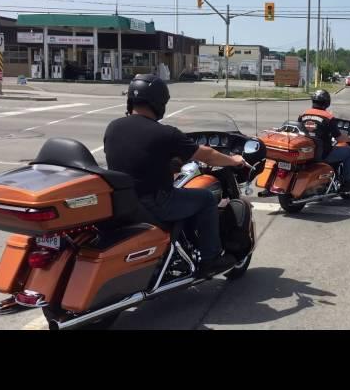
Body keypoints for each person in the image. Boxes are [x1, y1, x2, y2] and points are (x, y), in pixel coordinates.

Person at [104, 74, 246, 277]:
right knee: (205, 198)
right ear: (158, 102)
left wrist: (171, 164)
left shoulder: (113, 127)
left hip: (124, 202)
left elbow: (136, 159)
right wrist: (233, 160)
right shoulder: (164, 133)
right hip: (155, 202)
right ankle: (210, 258)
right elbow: (207, 155)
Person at [298, 89, 350, 192]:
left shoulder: (303, 114)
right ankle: (348, 182)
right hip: (323, 154)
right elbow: (339, 138)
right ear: (327, 103)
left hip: (306, 153)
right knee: (349, 152)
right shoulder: (328, 117)